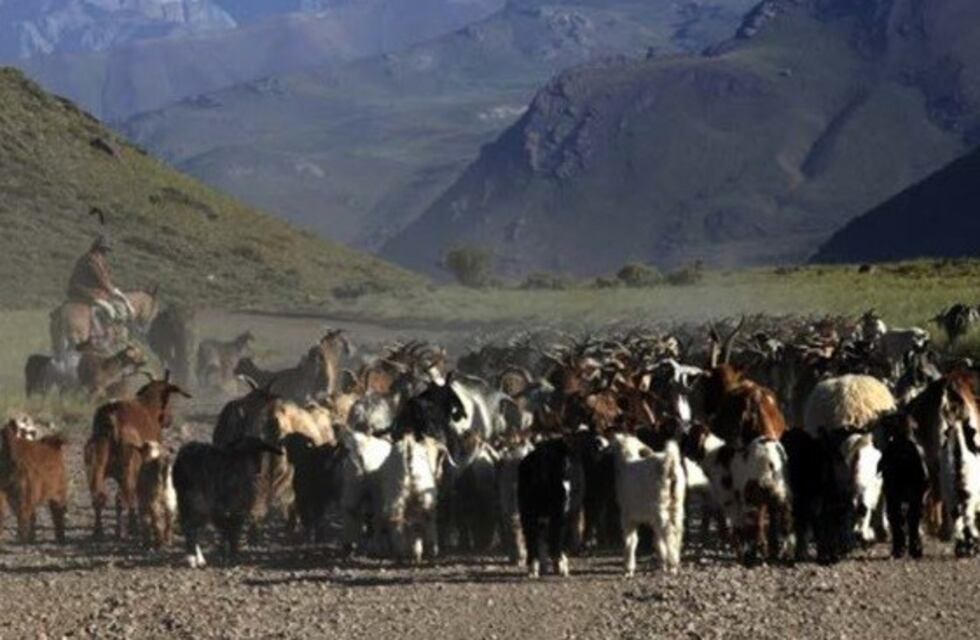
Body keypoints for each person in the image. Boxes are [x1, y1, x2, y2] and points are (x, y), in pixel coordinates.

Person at [66, 235, 134, 335]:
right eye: (104, 250)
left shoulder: (87, 257)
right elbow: (103, 281)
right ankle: (101, 336)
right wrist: (117, 293)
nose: (104, 253)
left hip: (75, 291)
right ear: (99, 249)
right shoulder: (93, 260)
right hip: (87, 293)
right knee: (111, 311)